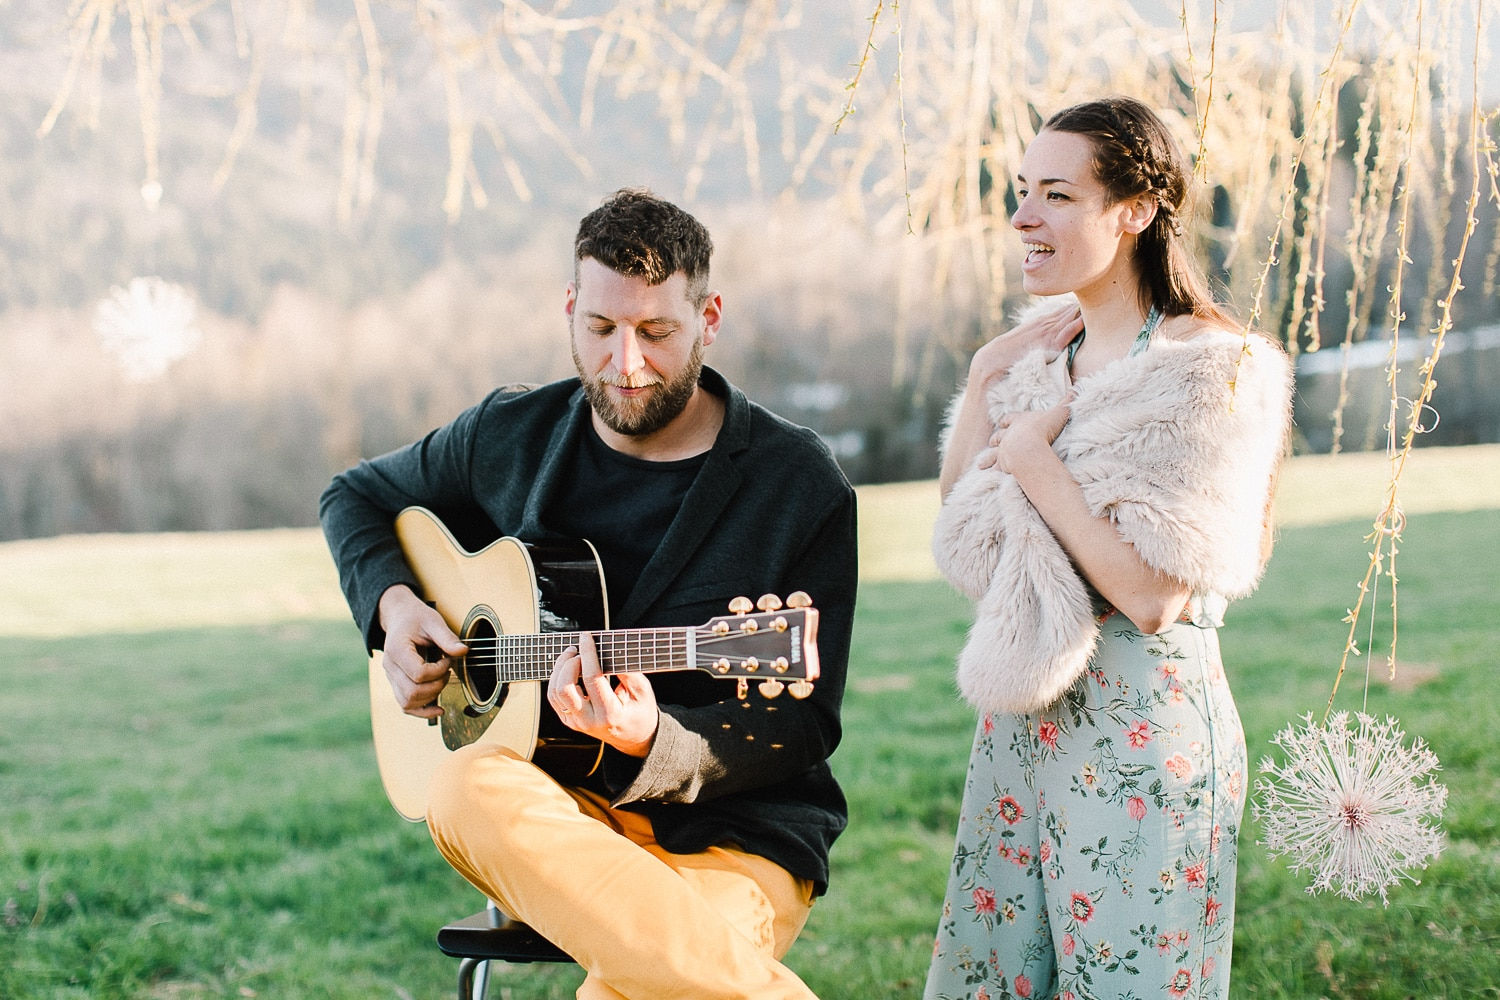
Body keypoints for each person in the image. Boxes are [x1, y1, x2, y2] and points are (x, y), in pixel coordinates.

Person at [319, 189, 857, 1000]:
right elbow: (353, 497)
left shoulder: (795, 484)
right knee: (462, 785)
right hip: (557, 823)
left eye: (656, 332)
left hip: (733, 839)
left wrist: (654, 741)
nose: (626, 363)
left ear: (709, 317)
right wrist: (394, 610)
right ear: (570, 309)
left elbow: (803, 724)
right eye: (601, 329)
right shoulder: (510, 434)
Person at [923, 97, 1293, 1000]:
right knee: (993, 978)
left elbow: (1153, 596)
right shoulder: (1042, 360)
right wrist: (984, 379)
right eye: (1021, 192)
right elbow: (965, 535)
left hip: (1142, 740)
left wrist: (1035, 465)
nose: (1022, 218)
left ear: (1133, 211)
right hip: (1021, 729)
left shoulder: (1213, 368)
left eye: (1056, 194)